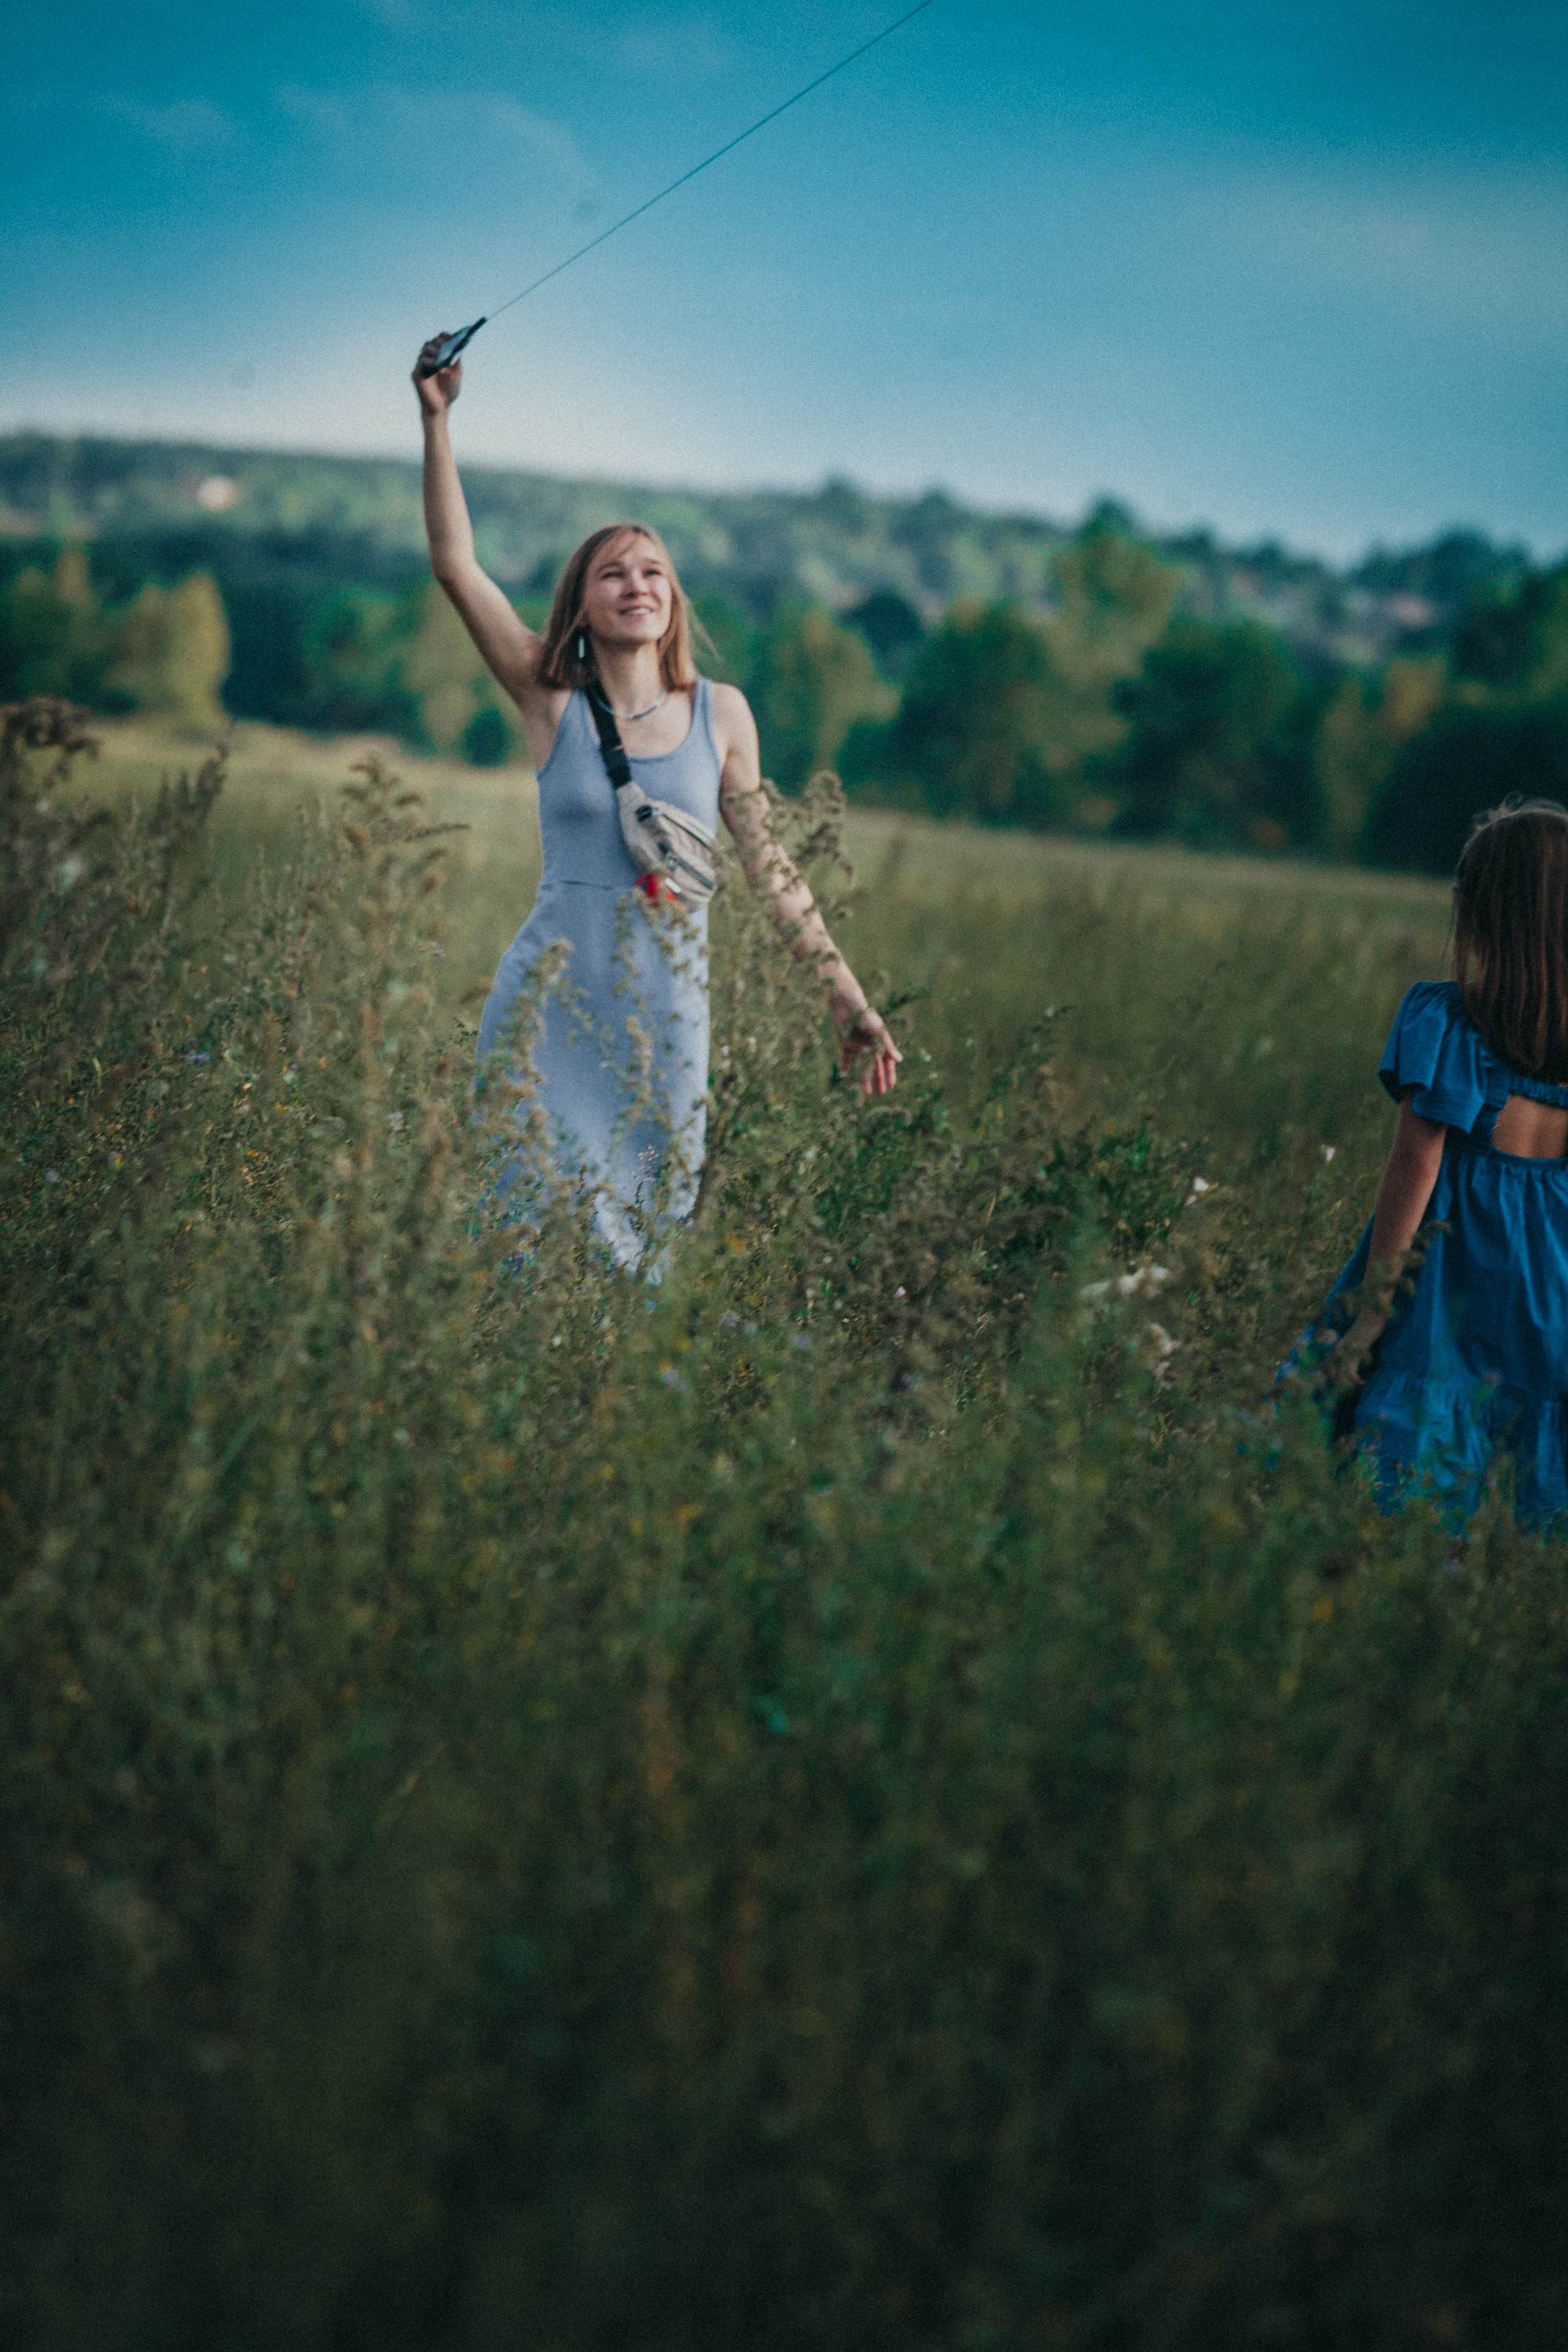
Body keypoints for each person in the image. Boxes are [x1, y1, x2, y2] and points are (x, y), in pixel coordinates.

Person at [413, 332, 900, 1269]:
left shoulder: (723, 717)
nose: (636, 584)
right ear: (581, 603)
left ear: (672, 599)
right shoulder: (544, 694)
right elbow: (453, 566)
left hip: (666, 1015)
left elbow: (773, 872)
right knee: (520, 1234)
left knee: (640, 1243)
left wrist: (849, 1000)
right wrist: (437, 422)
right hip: (549, 1003)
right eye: (612, 573)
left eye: (652, 573)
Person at [1304, 798, 1568, 1526]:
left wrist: (1369, 1315)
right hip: (1556, 1288)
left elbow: (1415, 1169)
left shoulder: (1449, 1022)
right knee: (1534, 1453)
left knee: (1425, 1434)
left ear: (1484, 915)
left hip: (1455, 1276)